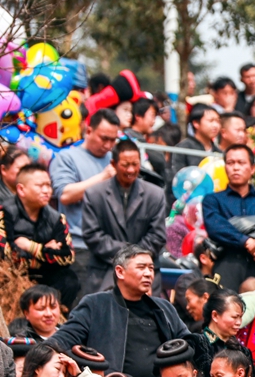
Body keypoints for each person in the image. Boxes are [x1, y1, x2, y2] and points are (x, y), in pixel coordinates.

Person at [49, 245, 189, 377]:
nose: (148, 273)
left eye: (151, 268)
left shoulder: (164, 308)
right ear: (120, 272)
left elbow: (188, 343)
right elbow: (62, 340)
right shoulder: (95, 305)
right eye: (141, 267)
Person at [81, 139, 167, 295]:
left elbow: (157, 236)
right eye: (125, 165)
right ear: (113, 164)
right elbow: (92, 235)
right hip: (106, 268)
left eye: (135, 164)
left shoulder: (155, 194)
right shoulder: (94, 194)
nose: (131, 170)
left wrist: (135, 262)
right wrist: (126, 258)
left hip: (145, 271)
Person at [202, 145, 255, 293]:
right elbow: (216, 227)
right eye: (230, 163)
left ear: (253, 168)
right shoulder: (213, 200)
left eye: (241, 163)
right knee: (227, 310)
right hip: (228, 263)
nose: (235, 167)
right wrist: (247, 242)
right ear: (225, 168)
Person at [49, 109, 121, 268]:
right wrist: (102, 177)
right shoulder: (67, 157)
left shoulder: (115, 160)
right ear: (89, 131)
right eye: (104, 139)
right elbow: (66, 195)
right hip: (79, 245)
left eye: (113, 140)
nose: (108, 145)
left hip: (112, 246)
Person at [0, 163, 80, 305]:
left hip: (46, 278)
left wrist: (30, 246)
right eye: (40, 186)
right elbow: (6, 258)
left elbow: (67, 257)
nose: (46, 191)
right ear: (21, 189)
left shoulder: (56, 218)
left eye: (48, 185)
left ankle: (58, 323)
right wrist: (47, 252)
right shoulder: (4, 212)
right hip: (12, 278)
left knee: (69, 280)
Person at [169, 104, 222, 181]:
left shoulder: (218, 152)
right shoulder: (184, 148)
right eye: (211, 121)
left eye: (218, 121)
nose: (216, 125)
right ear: (196, 123)